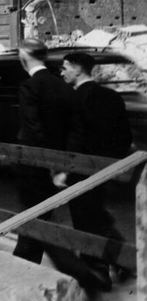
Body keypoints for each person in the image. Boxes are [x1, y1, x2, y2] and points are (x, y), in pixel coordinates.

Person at [56, 51, 132, 287]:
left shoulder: (72, 98)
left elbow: (74, 140)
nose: (62, 72)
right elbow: (125, 136)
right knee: (97, 216)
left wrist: (66, 171)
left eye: (65, 67)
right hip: (106, 168)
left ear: (78, 69)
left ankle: (98, 271)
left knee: (84, 220)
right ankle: (122, 262)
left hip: (80, 170)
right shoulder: (111, 96)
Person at [12, 37, 73, 264]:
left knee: (33, 216)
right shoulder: (62, 85)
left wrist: (46, 163)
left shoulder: (29, 87)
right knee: (44, 216)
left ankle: (23, 263)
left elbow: (33, 129)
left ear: (23, 58)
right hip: (59, 159)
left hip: (35, 163)